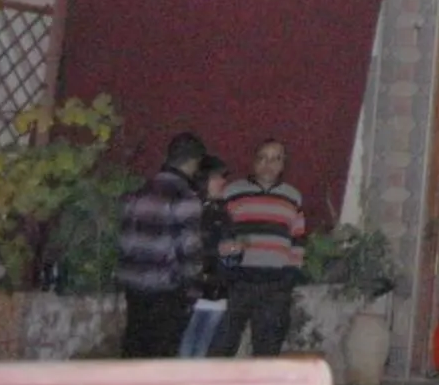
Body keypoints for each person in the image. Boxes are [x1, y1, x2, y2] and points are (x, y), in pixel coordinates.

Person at [211, 139, 306, 358]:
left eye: (276, 159)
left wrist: (290, 274)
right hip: (238, 283)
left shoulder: (293, 196)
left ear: (283, 164)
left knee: (267, 349)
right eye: (263, 157)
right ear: (254, 161)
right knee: (222, 345)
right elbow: (220, 232)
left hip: (275, 285)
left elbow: (298, 239)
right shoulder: (232, 192)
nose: (268, 164)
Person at [117, 131, 207, 358]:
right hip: (166, 292)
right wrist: (193, 289)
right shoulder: (186, 198)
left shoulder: (138, 193)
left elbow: (125, 241)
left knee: (134, 353)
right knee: (161, 359)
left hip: (135, 287)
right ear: (193, 162)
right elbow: (189, 250)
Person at [179, 155, 237, 359]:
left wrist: (234, 252)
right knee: (186, 349)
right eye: (216, 178)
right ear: (203, 180)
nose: (222, 182)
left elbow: (231, 251)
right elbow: (183, 250)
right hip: (194, 293)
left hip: (218, 292)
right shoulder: (189, 210)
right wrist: (215, 251)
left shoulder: (222, 212)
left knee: (202, 349)